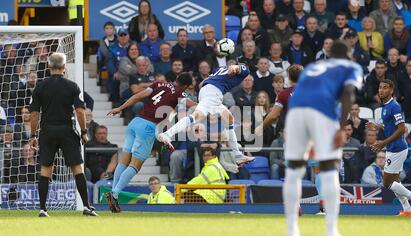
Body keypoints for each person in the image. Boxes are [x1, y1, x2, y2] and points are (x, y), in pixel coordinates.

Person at [279, 41, 363, 236]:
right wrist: (342, 128)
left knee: (294, 170)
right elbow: (348, 93)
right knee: (329, 169)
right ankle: (331, 231)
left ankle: (291, 230)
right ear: (348, 54)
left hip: (296, 112)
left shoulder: (313, 66)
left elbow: (298, 93)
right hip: (322, 113)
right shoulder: (351, 67)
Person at [105, 73, 193, 213]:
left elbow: (138, 96)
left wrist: (120, 108)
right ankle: (114, 194)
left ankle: (114, 196)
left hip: (135, 121)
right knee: (135, 166)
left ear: (176, 78)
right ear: (187, 86)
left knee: (123, 162)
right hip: (147, 127)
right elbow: (193, 107)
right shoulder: (180, 94)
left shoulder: (159, 84)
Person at [29, 53, 96, 217]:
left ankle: (43, 209)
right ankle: (86, 207)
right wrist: (84, 131)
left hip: (47, 130)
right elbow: (80, 111)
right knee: (77, 169)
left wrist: (33, 135)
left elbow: (34, 114)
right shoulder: (72, 86)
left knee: (46, 169)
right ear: (64, 67)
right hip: (66, 130)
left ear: (49, 66)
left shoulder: (40, 86)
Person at [157, 63, 256, 166]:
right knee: (195, 117)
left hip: (207, 91)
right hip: (213, 93)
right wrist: (234, 68)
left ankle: (237, 155)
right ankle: (167, 134)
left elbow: (202, 84)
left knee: (229, 119)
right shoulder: (245, 70)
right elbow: (234, 68)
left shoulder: (221, 68)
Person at [366, 79, 411, 216]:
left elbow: (401, 129)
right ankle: (408, 210)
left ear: (391, 90)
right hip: (394, 148)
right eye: (380, 87)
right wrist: (377, 126)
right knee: (395, 182)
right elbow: (389, 126)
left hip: (397, 148)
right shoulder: (385, 107)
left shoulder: (394, 106)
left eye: (385, 88)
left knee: (386, 183)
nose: (381, 90)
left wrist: (383, 143)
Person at [255, 64, 304, 133]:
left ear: (289, 77)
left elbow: (273, 116)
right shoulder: (312, 92)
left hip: (291, 132)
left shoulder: (283, 94)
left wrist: (261, 127)